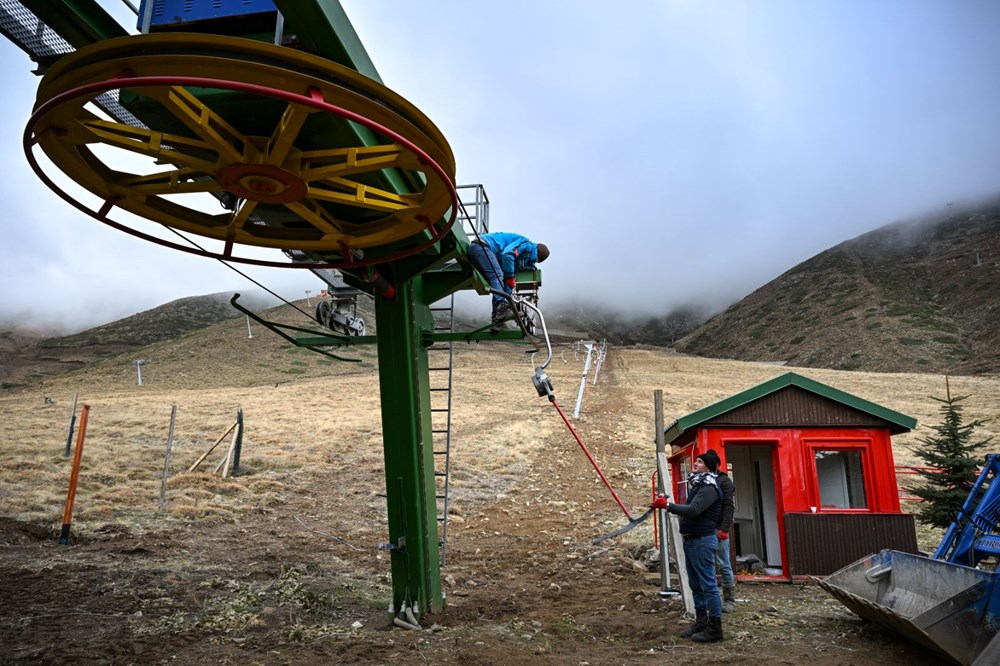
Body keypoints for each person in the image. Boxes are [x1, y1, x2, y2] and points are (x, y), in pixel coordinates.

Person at [653, 449, 724, 642]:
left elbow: (693, 510)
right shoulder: (699, 486)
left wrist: (667, 506)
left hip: (702, 541)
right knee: (695, 584)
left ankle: (715, 629)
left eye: (699, 462)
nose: (695, 464)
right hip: (693, 541)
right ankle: (701, 622)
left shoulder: (709, 489)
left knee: (708, 585)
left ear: (708, 467)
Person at [467, 232, 549, 325]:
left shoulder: (522, 257)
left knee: (499, 285)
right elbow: (507, 254)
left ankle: (497, 320)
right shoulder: (526, 245)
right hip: (482, 246)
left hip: (482, 252)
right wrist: (510, 277)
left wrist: (508, 296)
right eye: (534, 259)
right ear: (535, 253)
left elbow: (508, 278)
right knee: (497, 276)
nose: (533, 261)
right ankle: (502, 307)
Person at [715, 461, 738, 613]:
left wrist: (724, 528)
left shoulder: (724, 482)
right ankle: (713, 599)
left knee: (723, 564)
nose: (696, 464)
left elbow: (729, 506)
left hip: (718, 528)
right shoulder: (702, 480)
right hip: (706, 528)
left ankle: (729, 600)